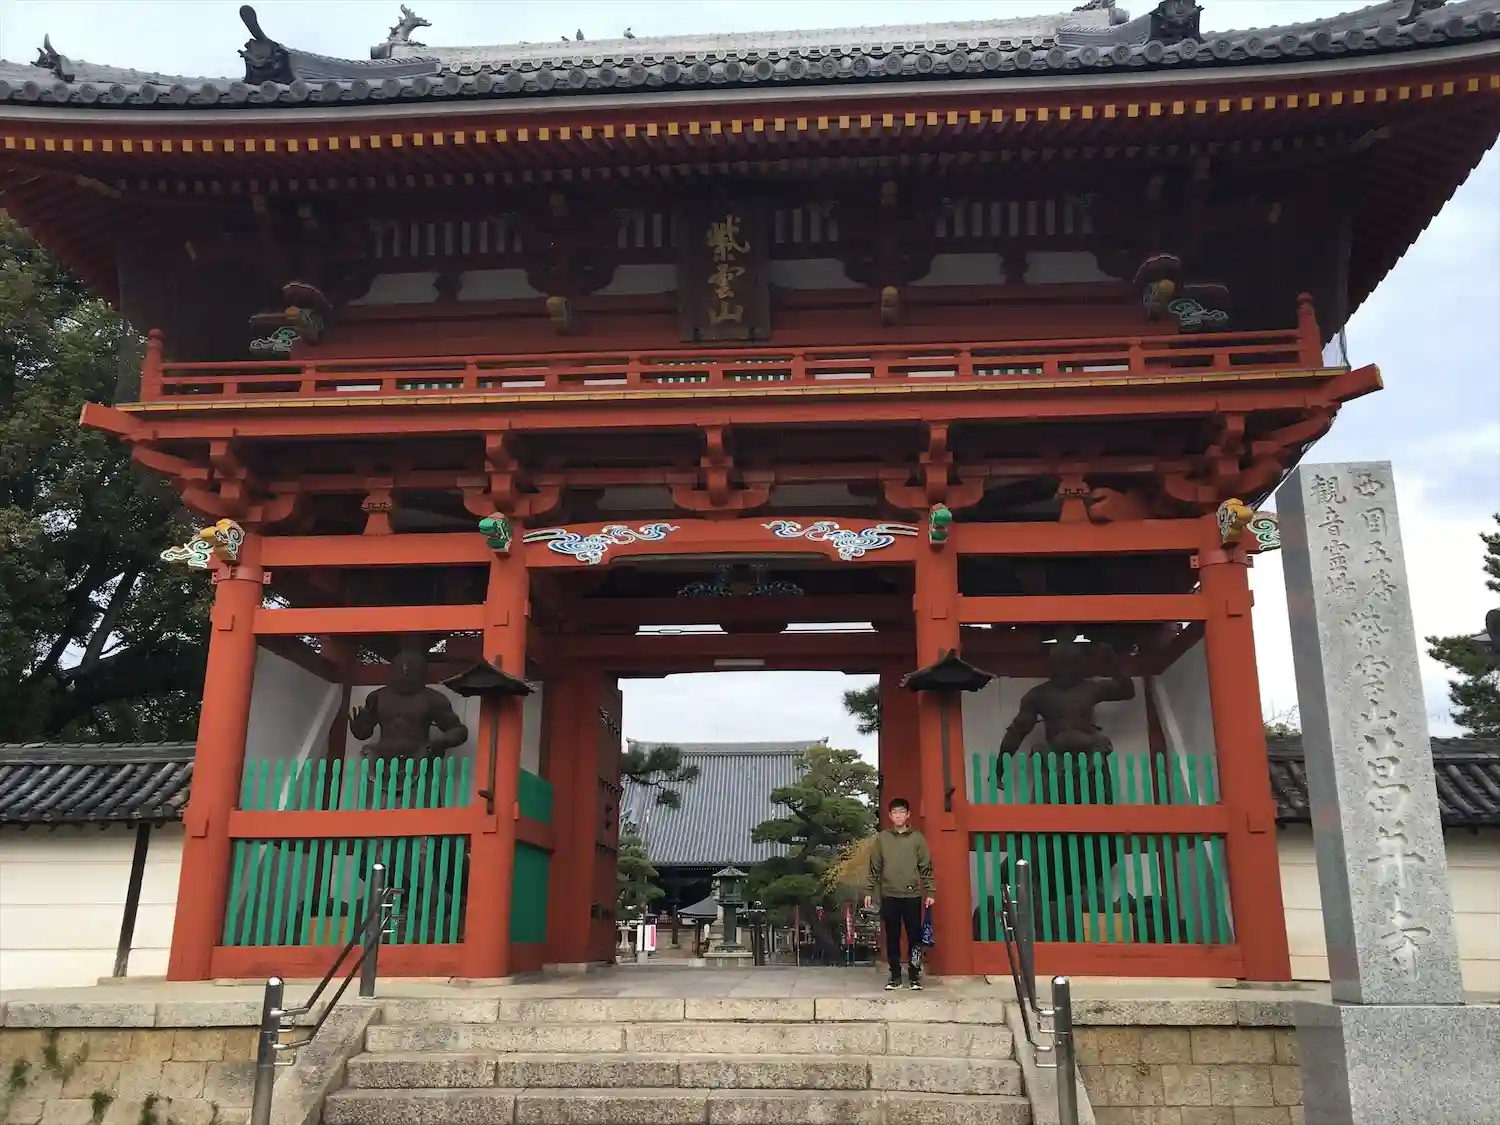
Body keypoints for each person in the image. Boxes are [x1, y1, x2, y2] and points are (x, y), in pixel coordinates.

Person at [863, 797, 935, 991]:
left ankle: (914, 975)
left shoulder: (917, 838)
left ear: (908, 815)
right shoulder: (882, 839)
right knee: (892, 936)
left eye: (902, 812)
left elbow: (926, 866)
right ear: (890, 816)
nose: (898, 815)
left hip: (912, 895)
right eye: (895, 812)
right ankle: (895, 976)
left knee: (914, 936)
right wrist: (869, 890)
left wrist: (930, 891)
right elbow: (874, 867)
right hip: (889, 894)